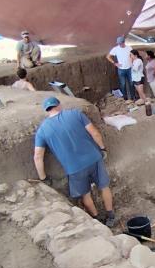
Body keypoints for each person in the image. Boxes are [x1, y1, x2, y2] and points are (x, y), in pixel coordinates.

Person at [33, 97, 115, 226]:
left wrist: (43, 178)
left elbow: (38, 156)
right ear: (58, 105)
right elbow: (94, 132)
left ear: (47, 110)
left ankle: (97, 220)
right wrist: (102, 148)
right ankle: (111, 216)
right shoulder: (75, 114)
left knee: (85, 195)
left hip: (74, 168)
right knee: (104, 187)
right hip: (94, 158)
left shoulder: (42, 130)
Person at [106, 36, 134, 102]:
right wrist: (115, 63)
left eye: (120, 43)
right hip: (121, 69)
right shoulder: (115, 49)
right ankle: (125, 98)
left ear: (123, 42)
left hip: (129, 68)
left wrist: (132, 63)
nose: (119, 44)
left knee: (131, 83)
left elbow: (132, 56)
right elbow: (108, 56)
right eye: (118, 43)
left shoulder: (129, 48)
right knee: (123, 84)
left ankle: (133, 97)